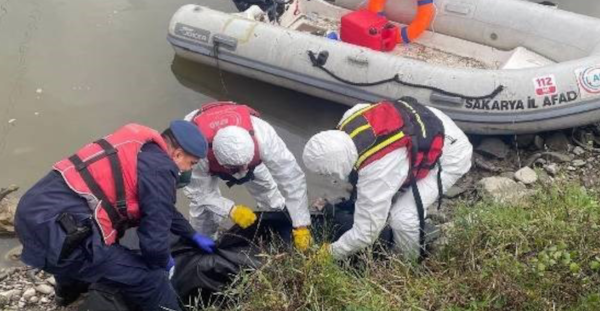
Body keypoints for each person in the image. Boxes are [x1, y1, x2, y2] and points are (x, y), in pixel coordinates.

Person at [14, 121, 215, 311]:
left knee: (72, 245)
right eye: (191, 163)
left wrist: (190, 234)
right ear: (178, 154)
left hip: (33, 213)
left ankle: (66, 296)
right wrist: (164, 263)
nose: (189, 169)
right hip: (58, 233)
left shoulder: (140, 146)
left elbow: (159, 207)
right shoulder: (161, 170)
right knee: (151, 280)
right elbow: (153, 245)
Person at [302, 97, 472, 261]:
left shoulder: (378, 170)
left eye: (327, 172)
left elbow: (366, 234)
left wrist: (328, 253)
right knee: (385, 199)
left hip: (450, 154)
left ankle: (407, 264)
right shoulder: (348, 119)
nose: (327, 176)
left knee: (403, 217)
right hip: (427, 122)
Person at [183, 102, 312, 251]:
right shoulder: (196, 150)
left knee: (267, 192)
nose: (242, 171)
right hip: (205, 148)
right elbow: (198, 193)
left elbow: (292, 178)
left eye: (245, 165)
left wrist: (301, 224)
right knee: (202, 212)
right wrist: (230, 210)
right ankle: (204, 243)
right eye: (236, 169)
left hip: (246, 155)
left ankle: (276, 221)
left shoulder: (263, 136)